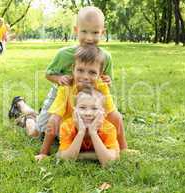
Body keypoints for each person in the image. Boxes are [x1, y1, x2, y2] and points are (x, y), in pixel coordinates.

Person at [9, 6, 127, 160]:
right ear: (76, 30)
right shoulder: (64, 54)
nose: (89, 38)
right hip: (62, 92)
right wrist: (59, 79)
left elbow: (105, 82)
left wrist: (107, 81)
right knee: (38, 132)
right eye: (84, 31)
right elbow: (49, 74)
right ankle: (25, 111)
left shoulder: (105, 57)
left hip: (89, 97)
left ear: (102, 32)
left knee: (92, 123)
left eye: (95, 32)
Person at [57, 87, 120, 167]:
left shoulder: (109, 129)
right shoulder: (66, 126)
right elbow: (67, 160)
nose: (88, 113)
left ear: (103, 113)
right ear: (74, 111)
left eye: (94, 108)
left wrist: (93, 133)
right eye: (82, 108)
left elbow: (108, 163)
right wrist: (81, 132)